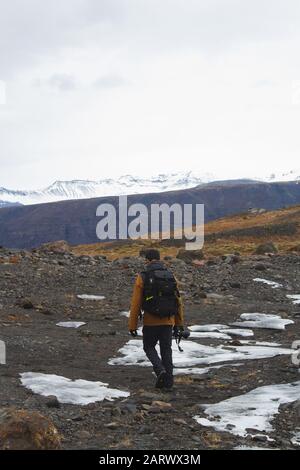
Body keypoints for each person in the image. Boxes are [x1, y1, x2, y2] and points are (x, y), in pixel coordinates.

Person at [128, 249, 184, 390]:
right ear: (159, 259)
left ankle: (160, 371)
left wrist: (132, 325)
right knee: (166, 350)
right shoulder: (171, 276)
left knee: (149, 347)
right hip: (168, 321)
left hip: (150, 320)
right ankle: (168, 382)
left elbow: (135, 303)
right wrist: (179, 323)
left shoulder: (143, 276)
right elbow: (178, 302)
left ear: (147, 260)